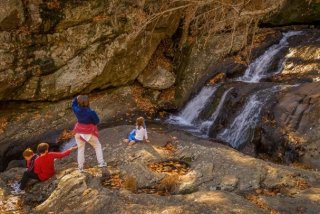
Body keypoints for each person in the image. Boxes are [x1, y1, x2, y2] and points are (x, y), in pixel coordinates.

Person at [72, 95, 106, 172]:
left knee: (80, 149)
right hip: (88, 132)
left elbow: (73, 104)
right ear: (87, 102)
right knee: (97, 146)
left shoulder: (76, 109)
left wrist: (76, 98)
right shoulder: (91, 112)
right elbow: (97, 121)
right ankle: (101, 162)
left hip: (78, 131)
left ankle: (80, 167)